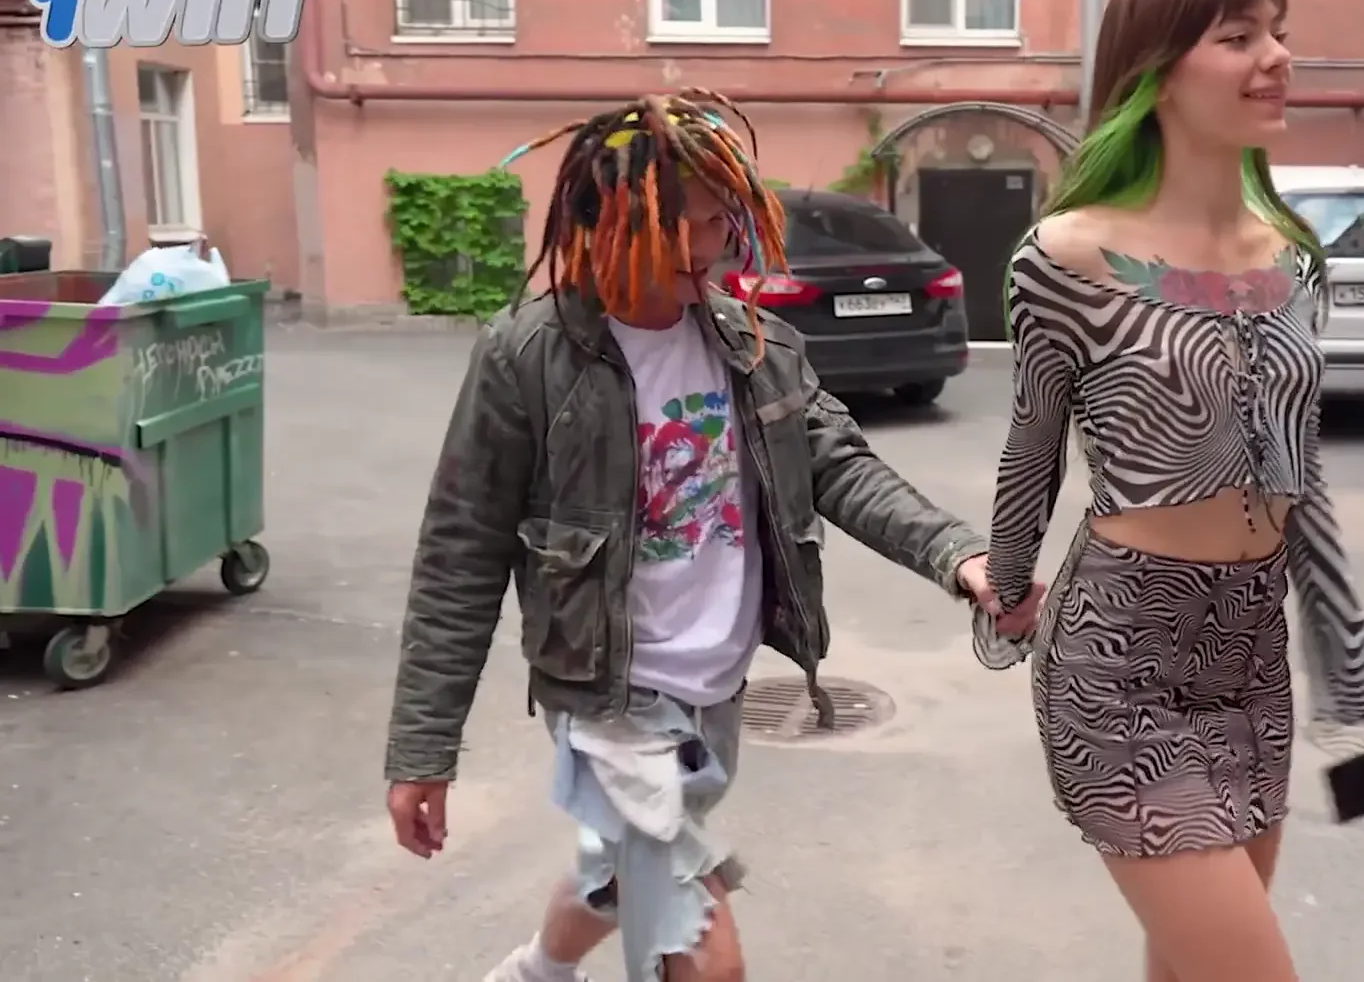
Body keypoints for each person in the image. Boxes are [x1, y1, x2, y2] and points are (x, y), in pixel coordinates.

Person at [381, 90, 1041, 982]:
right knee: (706, 956)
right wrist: (423, 752)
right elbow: (459, 556)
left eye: (723, 218)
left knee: (623, 869)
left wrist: (960, 556)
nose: (717, 244)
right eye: (688, 225)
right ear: (613, 224)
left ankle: (537, 971)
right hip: (609, 694)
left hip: (715, 684)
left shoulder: (753, 343)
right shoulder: (528, 357)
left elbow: (843, 467)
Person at [971, 0, 1364, 982]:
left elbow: (1304, 482)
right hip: (1121, 660)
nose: (1278, 58)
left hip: (1251, 661)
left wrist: (1360, 671)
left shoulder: (1289, 257)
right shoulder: (1066, 255)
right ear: (1157, 73)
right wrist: (1006, 583)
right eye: (1238, 38)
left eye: (1280, 34)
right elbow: (1033, 444)